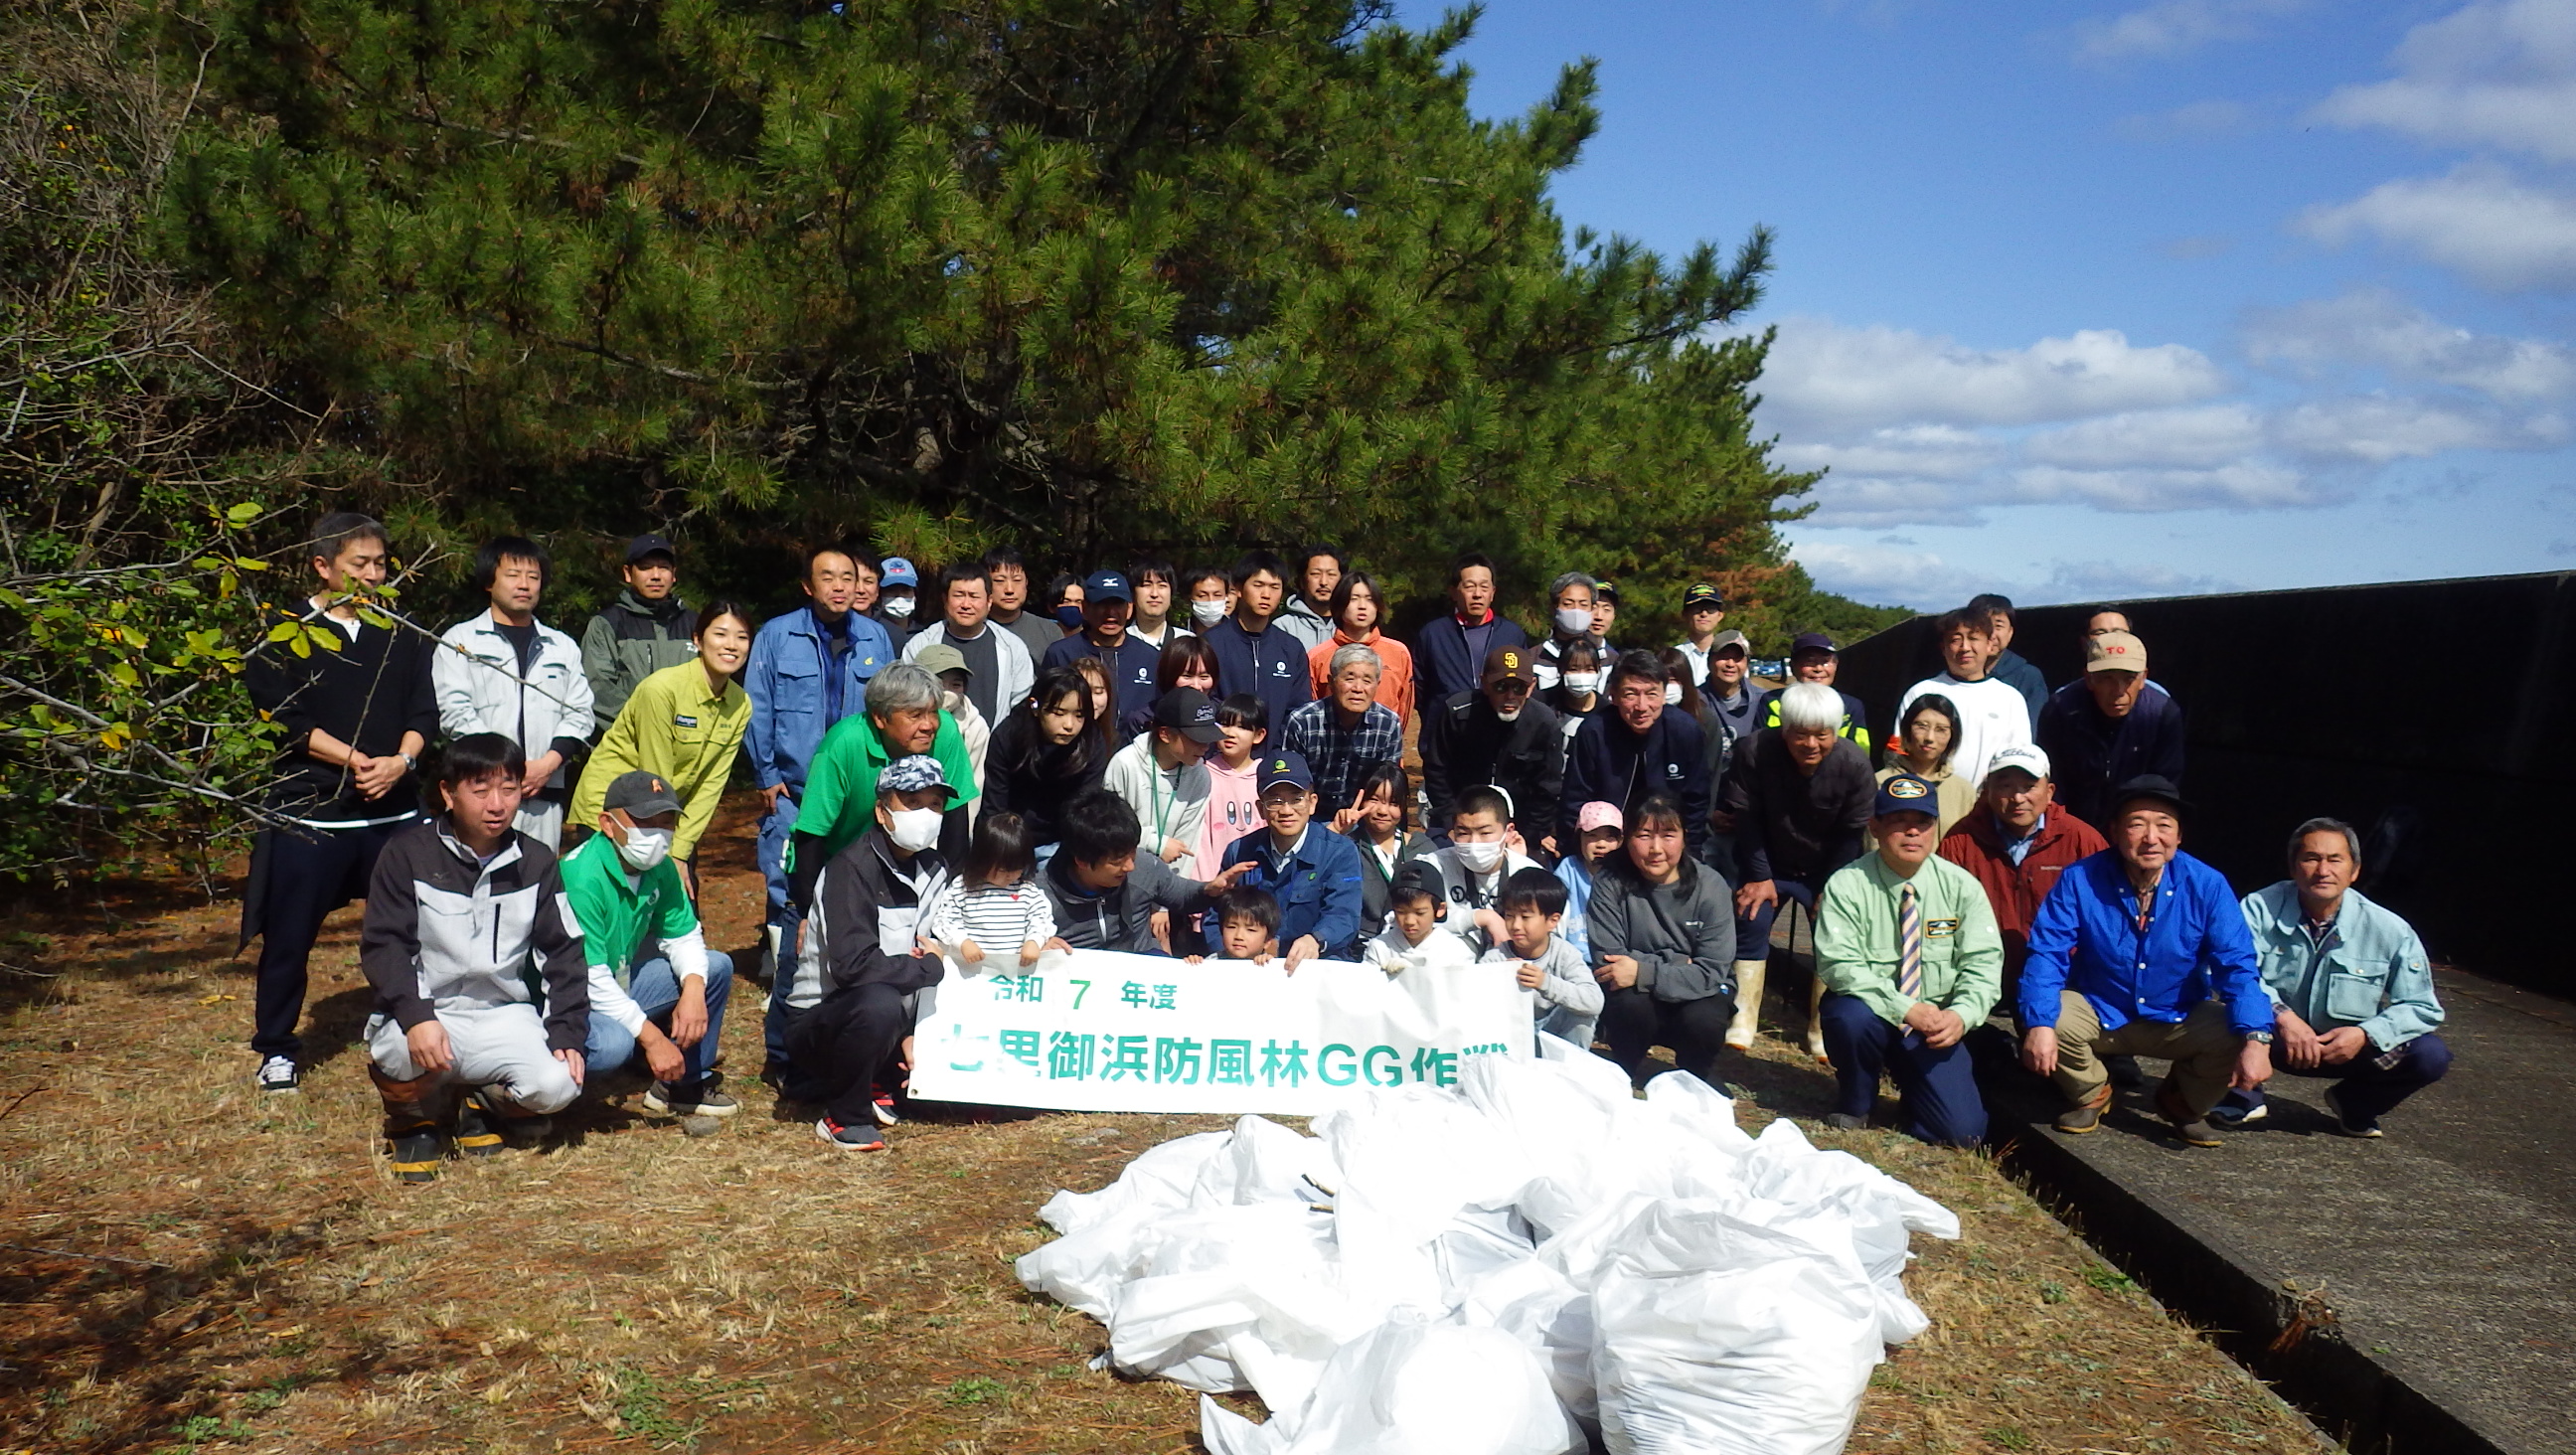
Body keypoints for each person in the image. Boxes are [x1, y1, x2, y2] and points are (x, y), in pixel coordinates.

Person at [240, 511, 439, 1093]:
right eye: (360, 564)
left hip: (393, 810)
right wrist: (356, 761)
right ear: (323, 566)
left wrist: (401, 762)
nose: (373, 575)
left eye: (380, 564)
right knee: (289, 934)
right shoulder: (284, 633)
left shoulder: (402, 632)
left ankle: (411, 1021)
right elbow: (284, 719)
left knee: (418, 927)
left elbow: (424, 710)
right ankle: (277, 1047)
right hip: (311, 811)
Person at [361, 733, 588, 1183]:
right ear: (448, 793)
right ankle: (416, 1122)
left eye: (509, 789)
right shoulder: (407, 854)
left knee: (559, 1084)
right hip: (431, 1011)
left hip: (502, 1013)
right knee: (398, 1051)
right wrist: (416, 1015)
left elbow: (564, 952)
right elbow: (386, 945)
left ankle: (483, 1099)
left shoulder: (537, 860)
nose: (497, 805)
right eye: (480, 791)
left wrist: (567, 1031)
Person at [2017, 775, 2274, 1147]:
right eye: (2136, 824)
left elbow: (2236, 965)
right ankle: (2092, 1092)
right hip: (2101, 1008)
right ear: (2115, 832)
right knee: (2045, 1016)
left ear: (2179, 835)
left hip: (2178, 1014)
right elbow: (2046, 953)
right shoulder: (2080, 879)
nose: (2151, 838)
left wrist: (2257, 1038)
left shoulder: (2207, 884)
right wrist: (2039, 1024)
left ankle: (2182, 1104)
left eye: (2164, 825)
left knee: (2237, 1031)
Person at [2219, 819, 2452, 1137]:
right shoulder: (2257, 908)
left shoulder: (2391, 929)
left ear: (2354, 871)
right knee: (2219, 1015)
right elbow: (2232, 973)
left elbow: (2422, 1007)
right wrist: (2283, 1018)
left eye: (2335, 860)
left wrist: (2366, 1034)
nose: (2323, 870)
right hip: (2273, 1037)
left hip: (2344, 1048)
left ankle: (2356, 1102)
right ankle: (2243, 1095)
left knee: (2429, 1055)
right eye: (2311, 858)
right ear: (2293, 867)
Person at [1813, 774, 2003, 1146]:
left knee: (1962, 1134)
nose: (1912, 832)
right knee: (1847, 1016)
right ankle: (1857, 1098)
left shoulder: (1962, 887)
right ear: (1875, 827)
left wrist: (1961, 1015)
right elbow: (1839, 965)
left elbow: (1983, 963)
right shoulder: (1847, 884)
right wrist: (1904, 1008)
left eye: (1923, 822)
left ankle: (1918, 1097)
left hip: (1934, 1023)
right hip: (1874, 1014)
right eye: (1899, 821)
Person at [793, 756, 960, 1152]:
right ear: (882, 812)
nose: (925, 815)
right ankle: (844, 1117)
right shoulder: (850, 869)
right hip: (826, 1020)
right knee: (878, 1001)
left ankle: (883, 1078)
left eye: (935, 804)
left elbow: (942, 939)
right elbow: (852, 967)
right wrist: (929, 969)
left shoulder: (936, 868)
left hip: (896, 1019)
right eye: (912, 803)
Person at [746, 545, 894, 963]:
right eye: (827, 577)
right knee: (786, 880)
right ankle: (786, 973)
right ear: (808, 586)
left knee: (856, 878)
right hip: (793, 787)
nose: (839, 586)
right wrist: (766, 774)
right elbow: (757, 707)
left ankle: (843, 966)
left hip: (857, 786)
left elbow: (890, 708)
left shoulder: (875, 636)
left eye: (848, 577)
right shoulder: (777, 635)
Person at [566, 771, 738, 1120]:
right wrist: (652, 1039)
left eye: (667, 822)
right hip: (569, 999)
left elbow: (683, 936)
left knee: (714, 967)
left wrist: (694, 991)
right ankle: (532, 1088)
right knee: (613, 1044)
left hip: (621, 981)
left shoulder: (661, 867)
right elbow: (589, 977)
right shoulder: (581, 876)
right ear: (608, 823)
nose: (658, 834)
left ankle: (684, 1084)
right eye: (645, 822)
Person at [1719, 681, 1874, 1055]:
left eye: (1822, 735)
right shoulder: (1753, 750)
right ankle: (1743, 1017)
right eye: (1800, 734)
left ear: (1836, 732)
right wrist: (1760, 875)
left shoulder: (1855, 764)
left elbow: (1851, 835)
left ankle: (1822, 1028)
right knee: (1751, 918)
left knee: (1834, 932)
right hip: (1768, 859)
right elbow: (1747, 818)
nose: (1811, 744)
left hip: (1827, 866)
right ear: (1784, 729)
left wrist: (1831, 888)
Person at [567, 601, 757, 890]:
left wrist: (680, 850)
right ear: (697, 640)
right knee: (615, 905)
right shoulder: (661, 689)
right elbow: (654, 774)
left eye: (741, 637)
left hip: (663, 812)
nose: (731, 645)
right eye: (720, 634)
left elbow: (712, 783)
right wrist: (665, 846)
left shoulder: (740, 703)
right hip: (613, 808)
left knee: (676, 903)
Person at [433, 536, 595, 849]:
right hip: (481, 790)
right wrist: (504, 769)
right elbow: (454, 712)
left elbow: (580, 712)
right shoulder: (461, 641)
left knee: (538, 873)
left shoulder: (561, 646)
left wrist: (547, 765)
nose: (524, 584)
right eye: (513, 575)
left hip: (543, 791)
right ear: (489, 582)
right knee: (476, 873)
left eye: (533, 577)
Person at [1935, 743, 2106, 1008]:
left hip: (2063, 984)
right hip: (1981, 981)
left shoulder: (2082, 840)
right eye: (2005, 786)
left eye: (2029, 786)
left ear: (2049, 792)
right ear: (1988, 789)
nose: (2017, 797)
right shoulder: (1961, 841)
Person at [1589, 791, 1736, 1087]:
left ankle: (1696, 1075)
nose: (1655, 849)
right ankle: (1625, 1069)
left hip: (1699, 994)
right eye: (1644, 835)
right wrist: (1682, 963)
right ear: (1627, 838)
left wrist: (1642, 971)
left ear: (1684, 837)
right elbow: (1609, 960)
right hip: (1635, 994)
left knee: (1705, 1018)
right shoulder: (1609, 883)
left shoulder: (1711, 886)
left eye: (1668, 835)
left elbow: (1712, 971)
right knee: (1630, 1005)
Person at [1218, 750, 1367, 968]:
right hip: (1250, 968)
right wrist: (1228, 960)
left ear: (1312, 803)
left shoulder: (1340, 852)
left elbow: (1344, 915)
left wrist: (1316, 940)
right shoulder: (1239, 851)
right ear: (1260, 808)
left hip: (1316, 966)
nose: (1286, 810)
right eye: (1275, 801)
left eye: (1296, 800)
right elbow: (1217, 916)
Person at [1560, 650, 1710, 857]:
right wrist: (1574, 853)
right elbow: (1575, 800)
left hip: (1664, 845)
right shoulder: (1594, 732)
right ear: (1613, 695)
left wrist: (1688, 853)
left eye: (1651, 694)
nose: (1641, 706)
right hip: (1608, 844)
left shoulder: (1685, 731)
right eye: (1630, 694)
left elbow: (1696, 802)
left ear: (1664, 694)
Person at [1042, 790, 1231, 954]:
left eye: (1132, 853)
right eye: (1117, 862)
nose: (1130, 867)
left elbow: (1182, 895)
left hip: (1140, 965)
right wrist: (1039, 949)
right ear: (1082, 861)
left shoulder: (1143, 866)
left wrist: (1210, 889)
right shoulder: (1039, 895)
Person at [2037, 629, 2185, 831]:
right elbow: (2051, 778)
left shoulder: (2162, 714)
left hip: (2134, 825)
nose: (2118, 691)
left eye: (2129, 679)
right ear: (2089, 678)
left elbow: (2164, 787)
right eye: (2107, 678)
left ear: (2143, 678)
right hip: (2071, 824)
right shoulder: (2060, 709)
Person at [1419, 645, 1563, 849]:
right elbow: (1437, 771)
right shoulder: (1458, 713)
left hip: (1518, 829)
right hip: (1460, 824)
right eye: (1501, 686)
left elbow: (1548, 788)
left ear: (1531, 687)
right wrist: (1450, 823)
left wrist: (1530, 836)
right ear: (1484, 683)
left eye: (1519, 687)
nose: (1510, 696)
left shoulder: (1544, 723)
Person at [1895, 607, 2031, 794]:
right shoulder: (1921, 692)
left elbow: (2018, 757)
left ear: (1989, 645)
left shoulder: (2010, 698)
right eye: (1955, 640)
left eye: (1973, 638)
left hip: (1987, 802)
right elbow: (1898, 750)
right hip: (1924, 799)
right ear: (1943, 648)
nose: (1965, 647)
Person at [982, 666, 1114, 848]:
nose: (1069, 725)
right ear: (1035, 707)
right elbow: (994, 807)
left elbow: (1086, 806)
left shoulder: (1091, 740)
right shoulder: (1008, 736)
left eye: (1079, 715)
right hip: (1011, 839)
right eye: (1058, 713)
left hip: (1065, 840)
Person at [580, 534, 699, 733]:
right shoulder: (606, 624)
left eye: (663, 568)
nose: (655, 575)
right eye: (645, 567)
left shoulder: (696, 624)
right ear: (628, 573)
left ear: (673, 574)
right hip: (627, 741)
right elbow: (598, 687)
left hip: (688, 739)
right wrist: (644, 727)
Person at [1282, 644, 1405, 833]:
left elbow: (1387, 785)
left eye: (1367, 680)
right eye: (1349, 679)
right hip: (1309, 818)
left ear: (1377, 685)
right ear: (1331, 682)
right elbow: (1291, 784)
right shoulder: (1303, 721)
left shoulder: (1388, 724)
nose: (1358, 688)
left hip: (1363, 818)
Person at [902, 562, 1036, 730]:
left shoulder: (1012, 647)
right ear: (945, 599)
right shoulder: (921, 645)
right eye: (959, 595)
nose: (966, 604)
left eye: (974, 596)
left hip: (994, 743)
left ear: (989, 601)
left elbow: (1020, 706)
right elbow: (905, 699)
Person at [1103, 687, 1218, 874]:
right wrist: (1154, 842)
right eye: (1196, 739)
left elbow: (1186, 844)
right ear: (1165, 734)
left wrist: (1172, 889)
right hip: (1120, 874)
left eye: (1208, 739)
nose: (1205, 747)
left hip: (1167, 882)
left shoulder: (1200, 776)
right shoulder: (1125, 764)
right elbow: (1110, 825)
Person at [1486, 867, 1603, 1051]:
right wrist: (1500, 979)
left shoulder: (1565, 953)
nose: (1516, 925)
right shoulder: (1496, 957)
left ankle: (1570, 1065)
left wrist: (1544, 982)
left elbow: (1594, 1001)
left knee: (1582, 1014)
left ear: (1552, 921)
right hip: (1509, 1036)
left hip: (1552, 1031)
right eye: (1509, 915)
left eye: (1525, 917)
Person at [921, 811, 1056, 970]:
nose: (1010, 876)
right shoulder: (963, 887)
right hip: (973, 969)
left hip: (1015, 970)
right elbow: (945, 919)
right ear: (983, 860)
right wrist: (962, 941)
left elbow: (1041, 918)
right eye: (1003, 870)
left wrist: (1034, 940)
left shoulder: (1026, 890)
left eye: (1017, 869)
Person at [1416, 784, 1541, 953]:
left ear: (1508, 831)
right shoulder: (1431, 868)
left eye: (1485, 833)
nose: (1474, 843)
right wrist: (1478, 918)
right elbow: (1399, 920)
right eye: (1463, 833)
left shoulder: (1531, 876)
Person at [1204, 551, 1314, 727]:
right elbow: (1206, 700)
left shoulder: (1291, 648)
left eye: (1274, 587)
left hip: (1275, 744)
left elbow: (1298, 709)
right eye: (1258, 585)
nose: (1266, 594)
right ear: (1238, 589)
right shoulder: (1212, 643)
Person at [1413, 552, 1530, 709]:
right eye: (1469, 587)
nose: (1477, 594)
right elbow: (1419, 690)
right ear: (1453, 592)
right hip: (1446, 722)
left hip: (1496, 721)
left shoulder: (1511, 634)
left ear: (1492, 593)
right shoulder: (1433, 634)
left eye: (1484, 587)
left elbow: (1523, 682)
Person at [1044, 569, 1161, 725]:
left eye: (1117, 604)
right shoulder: (1061, 653)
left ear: (1129, 608)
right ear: (1085, 608)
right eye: (1101, 604)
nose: (1110, 612)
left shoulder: (1150, 657)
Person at [1308, 571, 1414, 722]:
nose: (1362, 606)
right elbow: (1311, 707)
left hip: (1383, 734)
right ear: (1339, 605)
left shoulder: (1398, 653)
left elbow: (1404, 706)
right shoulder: (1317, 656)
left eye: (1370, 600)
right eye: (1354, 599)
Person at [1191, 694, 1270, 886]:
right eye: (1225, 724)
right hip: (1215, 881)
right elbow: (1200, 839)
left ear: (1259, 735)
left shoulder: (1265, 776)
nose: (1230, 733)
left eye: (1242, 727)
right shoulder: (1203, 775)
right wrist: (1206, 885)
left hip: (1259, 883)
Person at [1349, 761, 1432, 939]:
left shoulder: (1422, 849)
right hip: (1360, 943)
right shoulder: (1347, 846)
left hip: (1412, 942)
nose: (1383, 811)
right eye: (1374, 800)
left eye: (1393, 803)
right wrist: (1335, 832)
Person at [1874, 694, 1975, 840]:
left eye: (1941, 729)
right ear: (1907, 730)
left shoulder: (1963, 791)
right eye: (1921, 726)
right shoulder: (1880, 783)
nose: (1929, 738)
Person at [1755, 633, 1872, 753]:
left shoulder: (1851, 706)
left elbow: (1860, 753)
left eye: (1825, 662)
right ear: (1792, 666)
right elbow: (1759, 748)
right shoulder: (1772, 701)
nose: (1818, 669)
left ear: (1836, 665)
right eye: (1810, 662)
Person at [1365, 862, 1476, 984]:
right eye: (1401, 912)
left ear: (1440, 909)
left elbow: (1461, 989)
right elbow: (1367, 986)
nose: (1409, 921)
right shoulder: (1380, 947)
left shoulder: (1455, 950)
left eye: (1420, 913)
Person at [913, 642, 991, 798]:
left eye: (956, 684)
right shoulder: (898, 719)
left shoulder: (976, 726)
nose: (946, 692)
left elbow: (974, 783)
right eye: (938, 684)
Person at [1554, 801, 1623, 963]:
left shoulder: (1625, 874)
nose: (1601, 844)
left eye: (1610, 837)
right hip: (1572, 959)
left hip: (1613, 959)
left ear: (1620, 841)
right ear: (1579, 838)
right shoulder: (1569, 868)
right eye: (1592, 835)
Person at [1969, 593, 2047, 730]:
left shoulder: (2028, 676)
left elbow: (2034, 731)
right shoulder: (1954, 676)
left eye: (1998, 626)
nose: (1991, 634)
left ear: (2010, 632)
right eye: (1983, 625)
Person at [1122, 634, 1220, 739]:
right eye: (1187, 676)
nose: (1196, 686)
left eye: (1204, 677)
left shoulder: (1222, 715)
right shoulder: (1143, 720)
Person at [984, 548, 1061, 663]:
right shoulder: (972, 630)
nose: (1009, 590)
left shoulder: (1049, 631)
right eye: (1000, 581)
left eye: (1017, 580)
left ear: (1026, 583)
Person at [1531, 571, 1605, 691]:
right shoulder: (1534, 658)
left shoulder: (1606, 657)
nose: (1576, 610)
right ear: (1553, 607)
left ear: (1592, 608)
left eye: (1583, 604)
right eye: (1568, 604)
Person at [1275, 546, 1342, 650]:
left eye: (1331, 574)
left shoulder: (1351, 625)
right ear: (1302, 581)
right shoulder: (1283, 627)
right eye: (1316, 574)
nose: (1323, 582)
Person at [1199, 888, 1284, 963]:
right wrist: (1194, 965)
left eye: (1251, 930)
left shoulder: (1270, 966)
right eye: (1231, 927)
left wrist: (1269, 964)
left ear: (1268, 940)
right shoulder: (1212, 963)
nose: (1239, 936)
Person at [1673, 583, 1728, 687]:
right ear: (1684, 614)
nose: (1704, 614)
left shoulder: (1730, 659)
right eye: (1697, 608)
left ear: (1720, 615)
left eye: (1710, 609)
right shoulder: (1672, 657)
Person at [1542, 640, 1604, 732]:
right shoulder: (1543, 705)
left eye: (1589, 669)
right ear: (1560, 669)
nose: (1581, 676)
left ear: (1598, 669)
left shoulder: (1606, 712)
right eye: (1573, 669)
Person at [1126, 558, 1186, 650]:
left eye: (1162, 586)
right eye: (1146, 585)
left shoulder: (1187, 643)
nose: (1154, 594)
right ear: (1133, 593)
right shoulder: (1118, 642)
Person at [873, 557, 921, 649]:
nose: (899, 596)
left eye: (905, 590)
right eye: (891, 590)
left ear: (915, 595)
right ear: (879, 595)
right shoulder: (871, 632)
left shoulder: (924, 634)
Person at [1182, 565, 1235, 634]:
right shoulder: (1178, 634)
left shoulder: (1240, 634)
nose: (1211, 601)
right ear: (1189, 597)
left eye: (1217, 595)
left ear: (1226, 596)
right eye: (1202, 596)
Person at [1590, 579, 1622, 653]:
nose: (1599, 616)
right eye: (1593, 608)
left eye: (1606, 609)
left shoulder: (1615, 658)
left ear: (1614, 615)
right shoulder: (1565, 652)